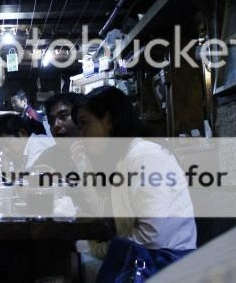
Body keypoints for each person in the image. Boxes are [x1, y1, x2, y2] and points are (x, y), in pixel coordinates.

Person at [70, 86, 196, 282]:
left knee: (71, 264)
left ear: (108, 120)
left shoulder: (144, 155)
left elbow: (152, 237)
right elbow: (105, 213)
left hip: (166, 265)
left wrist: (96, 249)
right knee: (71, 260)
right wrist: (83, 165)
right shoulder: (122, 158)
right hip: (142, 259)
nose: (81, 136)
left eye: (84, 124)